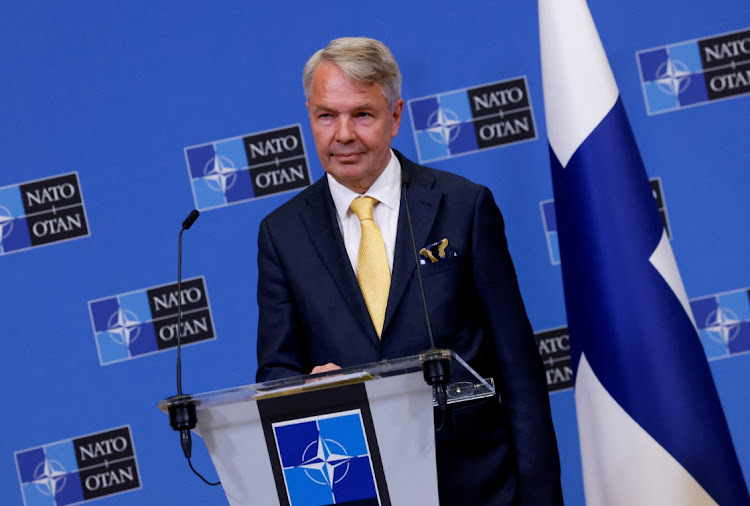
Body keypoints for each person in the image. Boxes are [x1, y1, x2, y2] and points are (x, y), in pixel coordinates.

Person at [256, 36, 563, 505]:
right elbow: (277, 370)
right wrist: (303, 391)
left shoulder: (463, 206)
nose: (343, 134)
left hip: (477, 487)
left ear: (395, 116)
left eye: (361, 114)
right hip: (355, 488)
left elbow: (519, 370)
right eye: (326, 116)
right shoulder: (282, 233)